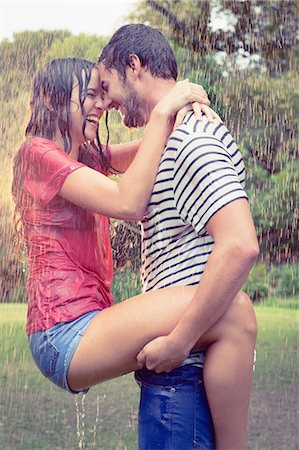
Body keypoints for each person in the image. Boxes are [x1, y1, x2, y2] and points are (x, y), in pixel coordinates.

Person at [12, 57, 220, 444]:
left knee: (224, 312)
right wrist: (163, 110)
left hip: (83, 324)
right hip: (62, 332)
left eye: (101, 96)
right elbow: (129, 203)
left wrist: (184, 111)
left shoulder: (88, 156)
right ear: (57, 99)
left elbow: (148, 150)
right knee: (226, 308)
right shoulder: (36, 155)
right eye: (89, 95)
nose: (99, 105)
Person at [98, 24, 259, 450]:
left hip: (185, 373)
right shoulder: (170, 134)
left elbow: (240, 244)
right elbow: (103, 161)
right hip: (183, 373)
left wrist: (178, 341)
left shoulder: (191, 138)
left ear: (134, 67)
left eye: (108, 86)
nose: (109, 103)